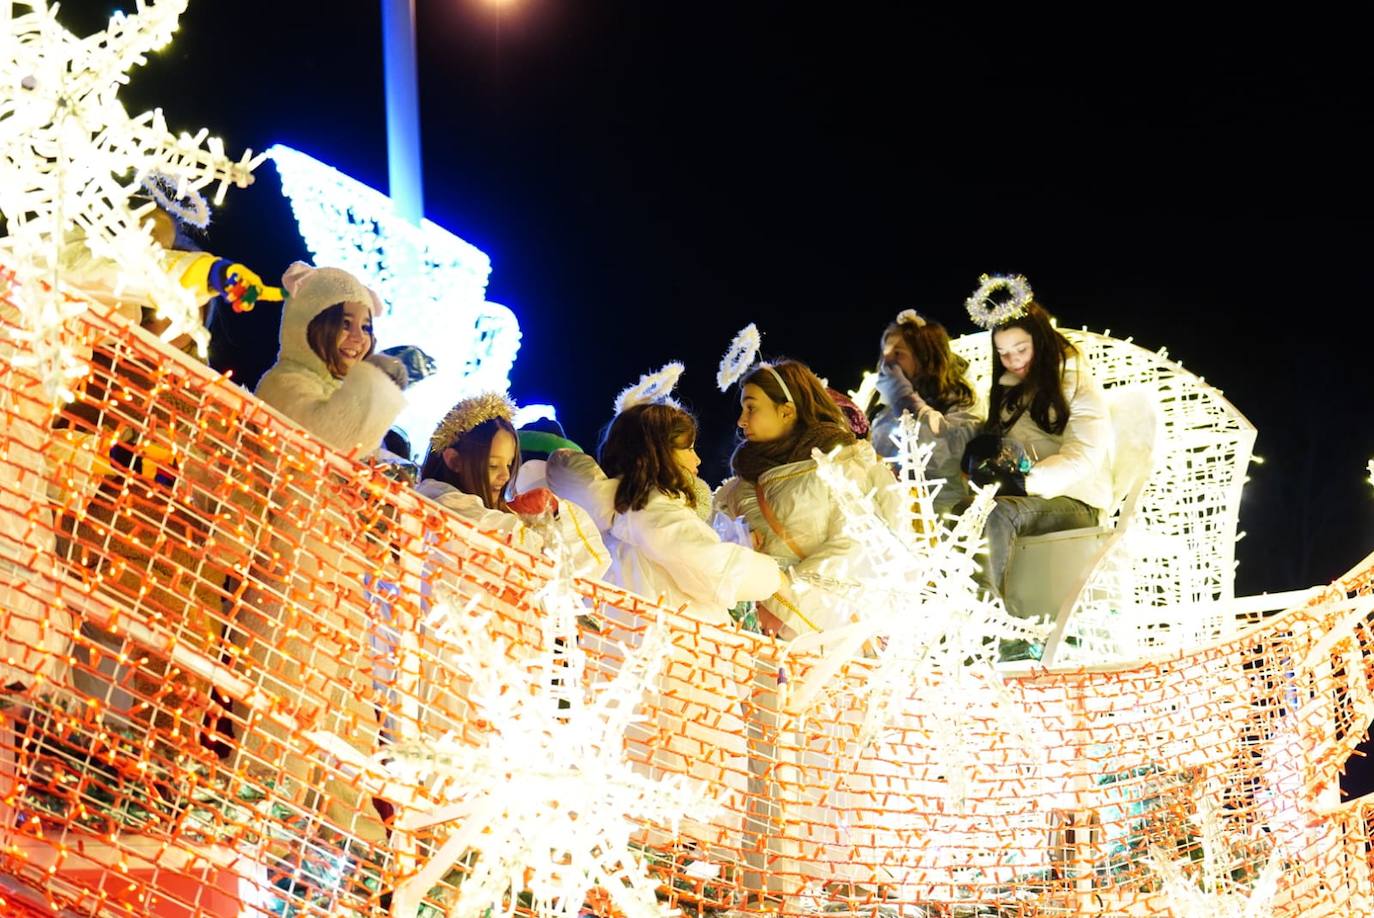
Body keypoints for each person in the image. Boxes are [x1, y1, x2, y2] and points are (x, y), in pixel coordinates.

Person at [546, 398, 784, 864]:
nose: (696, 461)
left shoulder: (613, 507)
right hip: (681, 671)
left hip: (622, 663)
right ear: (656, 452)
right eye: (686, 449)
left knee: (632, 786)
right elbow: (713, 570)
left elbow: (564, 465)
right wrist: (771, 574)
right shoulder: (657, 510)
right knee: (685, 795)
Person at [716, 359, 902, 639]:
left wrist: (781, 595)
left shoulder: (844, 465)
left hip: (824, 634)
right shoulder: (739, 487)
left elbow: (855, 545)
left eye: (751, 407)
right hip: (753, 630)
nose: (741, 421)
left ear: (787, 411)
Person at [963, 275, 1113, 614]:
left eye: (1021, 349)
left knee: (996, 515)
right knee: (962, 514)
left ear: (1041, 341)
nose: (1014, 360)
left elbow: (1084, 455)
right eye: (1003, 354)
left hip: (1077, 499)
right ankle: (973, 610)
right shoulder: (1008, 393)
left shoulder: (1075, 381)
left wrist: (1027, 482)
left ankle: (981, 622)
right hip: (1025, 497)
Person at [417, 392, 608, 579]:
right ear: (454, 461)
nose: (506, 475)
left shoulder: (486, 513)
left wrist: (552, 512)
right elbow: (544, 561)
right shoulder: (448, 505)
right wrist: (547, 519)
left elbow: (587, 569)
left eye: (509, 464)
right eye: (493, 465)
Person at [254, 262, 409, 455]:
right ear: (306, 323)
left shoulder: (336, 391)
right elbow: (328, 444)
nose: (359, 337)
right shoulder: (283, 383)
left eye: (366, 328)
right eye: (345, 324)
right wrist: (377, 380)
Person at [869, 309, 983, 515]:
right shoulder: (880, 407)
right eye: (884, 354)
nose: (887, 363)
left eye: (898, 354)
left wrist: (909, 403)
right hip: (891, 514)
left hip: (944, 514)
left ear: (924, 357)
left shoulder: (964, 400)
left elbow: (947, 457)